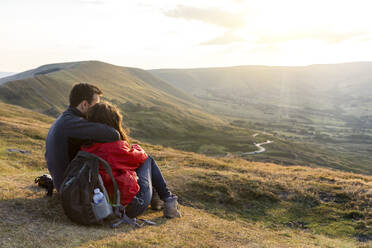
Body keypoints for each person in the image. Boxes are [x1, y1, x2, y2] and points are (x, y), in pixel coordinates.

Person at [81, 101, 181, 219]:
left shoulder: (86, 145)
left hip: (102, 204)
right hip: (130, 206)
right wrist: (134, 147)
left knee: (139, 166)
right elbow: (140, 157)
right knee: (148, 159)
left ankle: (157, 199)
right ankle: (169, 201)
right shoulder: (113, 146)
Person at [45, 83, 120, 192]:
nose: (98, 108)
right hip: (73, 190)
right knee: (147, 161)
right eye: (96, 105)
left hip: (67, 184)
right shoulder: (72, 123)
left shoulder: (66, 119)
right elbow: (113, 134)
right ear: (84, 104)